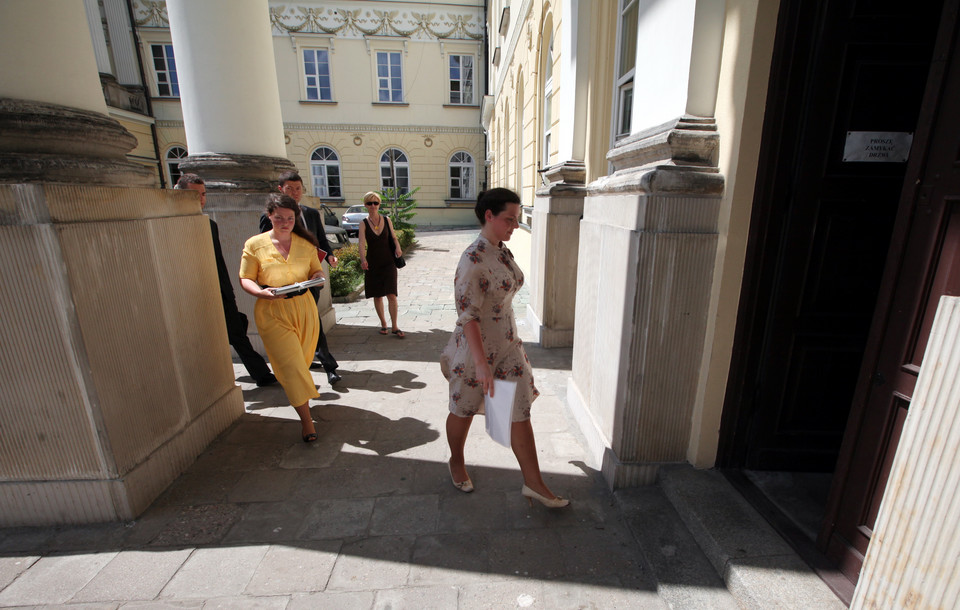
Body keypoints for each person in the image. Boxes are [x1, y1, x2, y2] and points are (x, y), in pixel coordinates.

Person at [439, 188, 569, 508]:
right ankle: (456, 460)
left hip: (508, 345)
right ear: (489, 216)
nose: (514, 225)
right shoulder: (472, 259)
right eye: (509, 220)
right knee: (464, 409)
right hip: (475, 352)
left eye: (517, 220)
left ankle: (534, 483)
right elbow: (467, 316)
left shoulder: (500, 250)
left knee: (519, 407)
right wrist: (482, 365)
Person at [176, 173, 277, 388]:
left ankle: (261, 374)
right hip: (187, 296)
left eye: (203, 194)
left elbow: (219, 264)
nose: (201, 199)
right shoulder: (171, 226)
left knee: (237, 334)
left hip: (219, 292)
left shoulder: (210, 225)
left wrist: (228, 292)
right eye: (194, 195)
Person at [240, 194, 326, 442]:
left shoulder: (305, 243)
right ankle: (307, 422)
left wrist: (318, 275)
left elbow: (315, 269)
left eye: (290, 218)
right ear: (269, 216)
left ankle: (302, 398)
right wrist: (260, 293)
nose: (285, 222)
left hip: (304, 308)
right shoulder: (254, 244)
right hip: (272, 311)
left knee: (302, 361)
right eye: (279, 217)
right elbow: (245, 278)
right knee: (291, 365)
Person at [259, 171, 342, 385]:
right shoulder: (271, 218)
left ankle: (328, 366)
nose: (295, 193)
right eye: (290, 189)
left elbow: (321, 240)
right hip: (284, 284)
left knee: (312, 320)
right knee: (295, 326)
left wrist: (330, 256)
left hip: (310, 280)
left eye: (298, 189)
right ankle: (303, 362)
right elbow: (263, 250)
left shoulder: (311, 214)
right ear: (281, 190)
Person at [358, 191, 404, 338]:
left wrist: (398, 247)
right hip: (373, 263)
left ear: (379, 204)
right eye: (369, 203)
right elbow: (361, 244)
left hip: (388, 261)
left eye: (375, 203)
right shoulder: (363, 223)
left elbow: (394, 237)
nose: (373, 206)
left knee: (392, 294)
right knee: (377, 296)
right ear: (365, 205)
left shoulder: (387, 219)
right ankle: (384, 323)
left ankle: (395, 326)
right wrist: (363, 259)